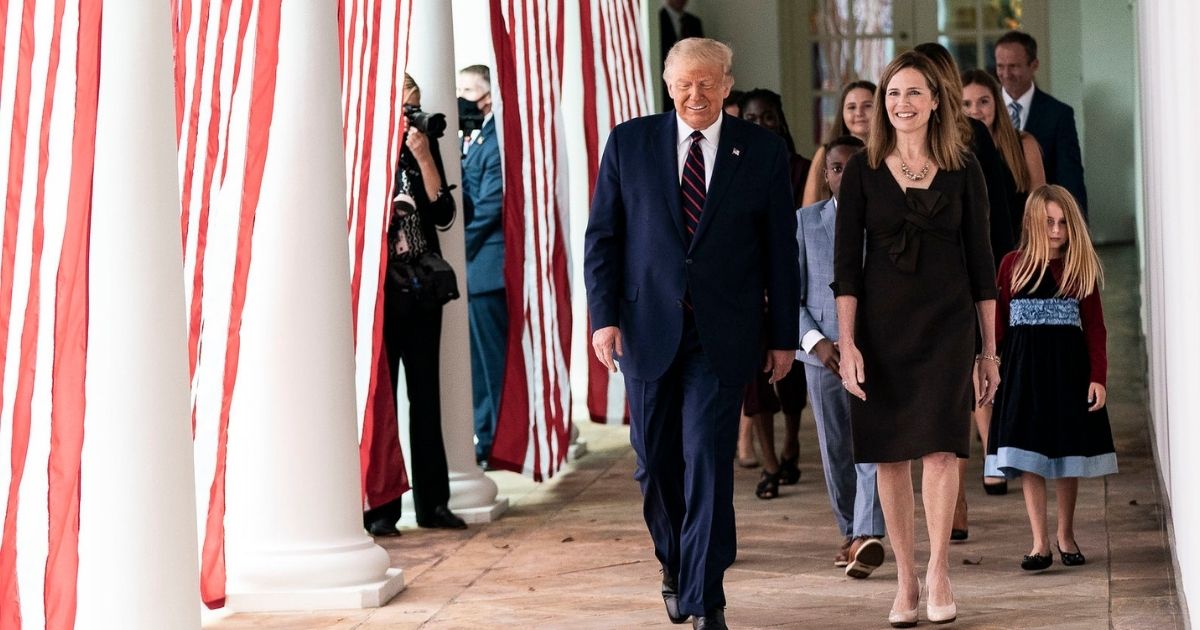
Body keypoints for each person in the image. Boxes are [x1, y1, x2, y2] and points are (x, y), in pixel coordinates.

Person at [585, 38, 799, 630]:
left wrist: (783, 335)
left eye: (708, 82)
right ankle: (676, 564)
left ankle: (707, 599)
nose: (695, 94)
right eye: (684, 83)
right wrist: (603, 318)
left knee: (707, 459)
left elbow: (782, 253)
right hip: (645, 327)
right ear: (666, 82)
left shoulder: (761, 152)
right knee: (654, 464)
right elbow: (602, 239)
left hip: (723, 333)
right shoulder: (629, 142)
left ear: (729, 84)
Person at [833, 51, 998, 627]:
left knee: (942, 448)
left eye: (913, 93)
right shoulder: (861, 170)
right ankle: (904, 577)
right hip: (879, 332)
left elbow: (983, 265)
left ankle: (939, 571)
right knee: (889, 455)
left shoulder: (963, 169)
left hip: (948, 327)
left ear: (935, 102)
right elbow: (845, 270)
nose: (901, 103)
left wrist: (990, 351)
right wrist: (847, 345)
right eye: (893, 94)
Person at [985, 185, 1116, 572]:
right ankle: (1039, 541)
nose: (1056, 230)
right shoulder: (1012, 265)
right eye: (1049, 223)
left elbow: (1095, 328)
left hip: (1067, 376)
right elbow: (998, 325)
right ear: (1032, 224)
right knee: (1030, 459)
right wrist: (988, 363)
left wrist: (1098, 376)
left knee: (1065, 457)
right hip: (1024, 377)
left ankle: (1066, 533)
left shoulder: (1079, 269)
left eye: (1062, 223)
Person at [914, 41, 1015, 539]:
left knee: (969, 383)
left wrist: (995, 278)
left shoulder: (971, 134)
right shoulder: (898, 138)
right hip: (914, 290)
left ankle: (981, 470)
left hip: (967, 280)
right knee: (934, 398)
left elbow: (996, 210)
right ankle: (954, 505)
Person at [364, 74, 467, 536]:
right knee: (381, 400)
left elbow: (444, 214)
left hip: (422, 291)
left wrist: (424, 155)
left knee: (426, 397)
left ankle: (433, 504)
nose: (413, 114)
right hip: (379, 291)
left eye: (416, 105)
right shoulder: (361, 144)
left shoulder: (422, 146)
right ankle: (381, 507)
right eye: (407, 106)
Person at [796, 134, 886, 577]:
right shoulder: (804, 223)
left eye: (853, 167)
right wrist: (816, 341)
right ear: (825, 173)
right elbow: (786, 294)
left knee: (872, 443)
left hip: (874, 351)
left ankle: (867, 534)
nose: (843, 175)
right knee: (836, 447)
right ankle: (850, 530)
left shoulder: (885, 220)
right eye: (835, 167)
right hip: (823, 355)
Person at [736, 87, 811, 499]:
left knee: (792, 374)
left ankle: (792, 443)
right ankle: (768, 464)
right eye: (750, 118)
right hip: (747, 286)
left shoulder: (801, 168)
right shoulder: (730, 166)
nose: (760, 124)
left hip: (792, 282)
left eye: (767, 117)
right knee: (754, 379)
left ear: (779, 120)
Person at [458, 64, 506, 467]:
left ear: (488, 95)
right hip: (475, 270)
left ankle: (495, 439)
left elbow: (490, 203)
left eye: (469, 89)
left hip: (486, 266)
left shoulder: (496, 141)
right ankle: (484, 433)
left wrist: (459, 245)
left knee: (492, 363)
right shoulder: (473, 138)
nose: (462, 97)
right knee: (475, 363)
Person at [995, 30, 1088, 218]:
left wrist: (1078, 230)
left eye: (1013, 66)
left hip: (1042, 222)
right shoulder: (984, 110)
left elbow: (1070, 178)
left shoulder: (1059, 114)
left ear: (1034, 65)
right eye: (1000, 66)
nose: (1005, 74)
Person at [962, 68, 1047, 239]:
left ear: (997, 103)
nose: (975, 111)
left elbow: (1039, 206)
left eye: (983, 101)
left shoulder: (1024, 144)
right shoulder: (954, 151)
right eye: (966, 104)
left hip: (1018, 246)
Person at [801, 80, 875, 207]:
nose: (859, 113)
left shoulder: (891, 152)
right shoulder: (824, 153)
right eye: (851, 107)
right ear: (842, 113)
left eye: (867, 106)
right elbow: (808, 213)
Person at [659, 0, 704, 108]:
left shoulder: (694, 22)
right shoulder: (657, 19)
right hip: (665, 85)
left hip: (693, 83)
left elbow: (702, 55)